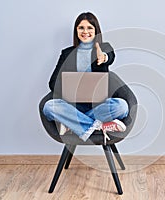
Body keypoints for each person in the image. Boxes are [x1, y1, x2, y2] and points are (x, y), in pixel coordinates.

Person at [43, 12, 129, 143]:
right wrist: (70, 89)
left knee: (122, 106)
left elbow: (110, 56)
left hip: (98, 106)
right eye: (81, 28)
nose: (85, 31)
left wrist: (103, 57)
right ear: (76, 30)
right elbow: (52, 83)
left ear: (96, 31)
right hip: (74, 107)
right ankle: (98, 126)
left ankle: (73, 124)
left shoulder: (104, 48)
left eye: (90, 28)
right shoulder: (67, 53)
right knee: (49, 107)